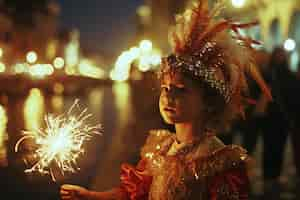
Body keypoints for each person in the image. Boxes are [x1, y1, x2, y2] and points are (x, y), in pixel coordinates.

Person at [60, 0, 271, 199]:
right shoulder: (159, 148)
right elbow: (133, 194)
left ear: (208, 102)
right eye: (165, 88)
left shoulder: (220, 163)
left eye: (181, 90)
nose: (169, 96)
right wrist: (91, 196)